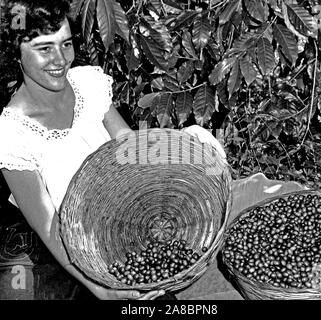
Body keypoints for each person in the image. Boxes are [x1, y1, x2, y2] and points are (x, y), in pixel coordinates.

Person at [0, 0, 226, 300]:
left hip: (120, 215)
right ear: (17, 52)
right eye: (44, 48)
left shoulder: (86, 84)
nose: (60, 59)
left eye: (66, 44)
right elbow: (50, 227)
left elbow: (129, 146)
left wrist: (185, 147)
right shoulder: (12, 133)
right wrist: (103, 290)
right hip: (70, 244)